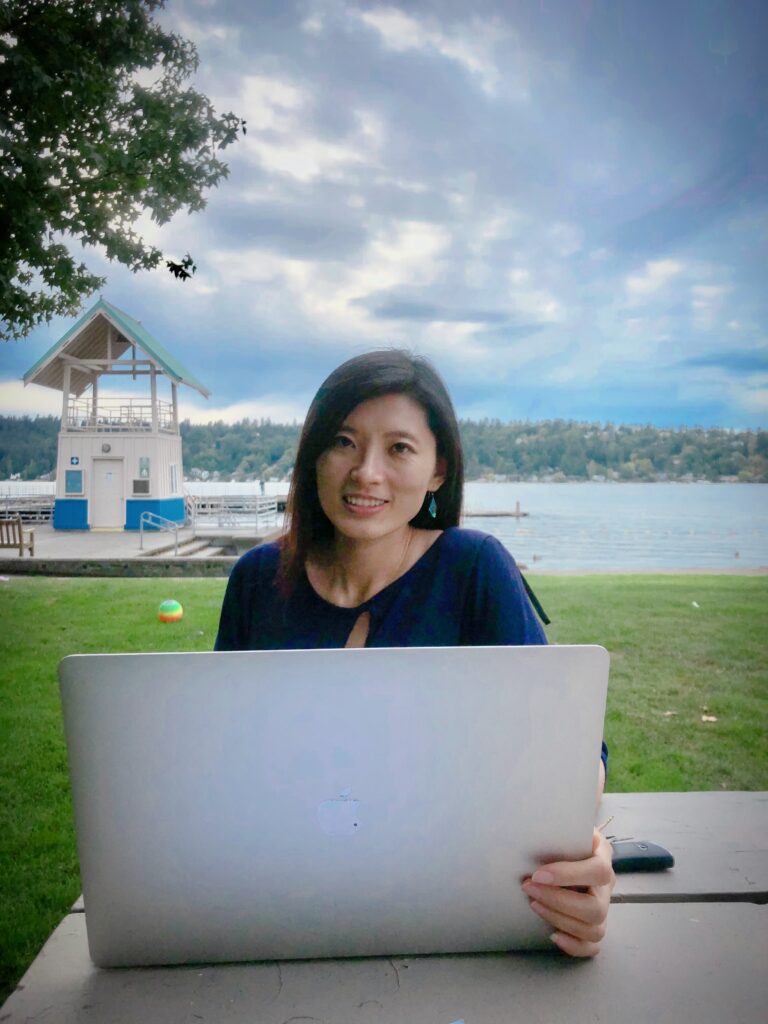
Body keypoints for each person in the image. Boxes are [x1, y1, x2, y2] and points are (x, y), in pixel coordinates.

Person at [215, 349, 614, 957]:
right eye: (343, 442)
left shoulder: (474, 567)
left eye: (399, 448)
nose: (366, 472)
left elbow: (572, 753)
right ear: (313, 456)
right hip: (276, 899)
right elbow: (218, 761)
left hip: (457, 901)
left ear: (437, 470)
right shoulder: (256, 579)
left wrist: (583, 860)